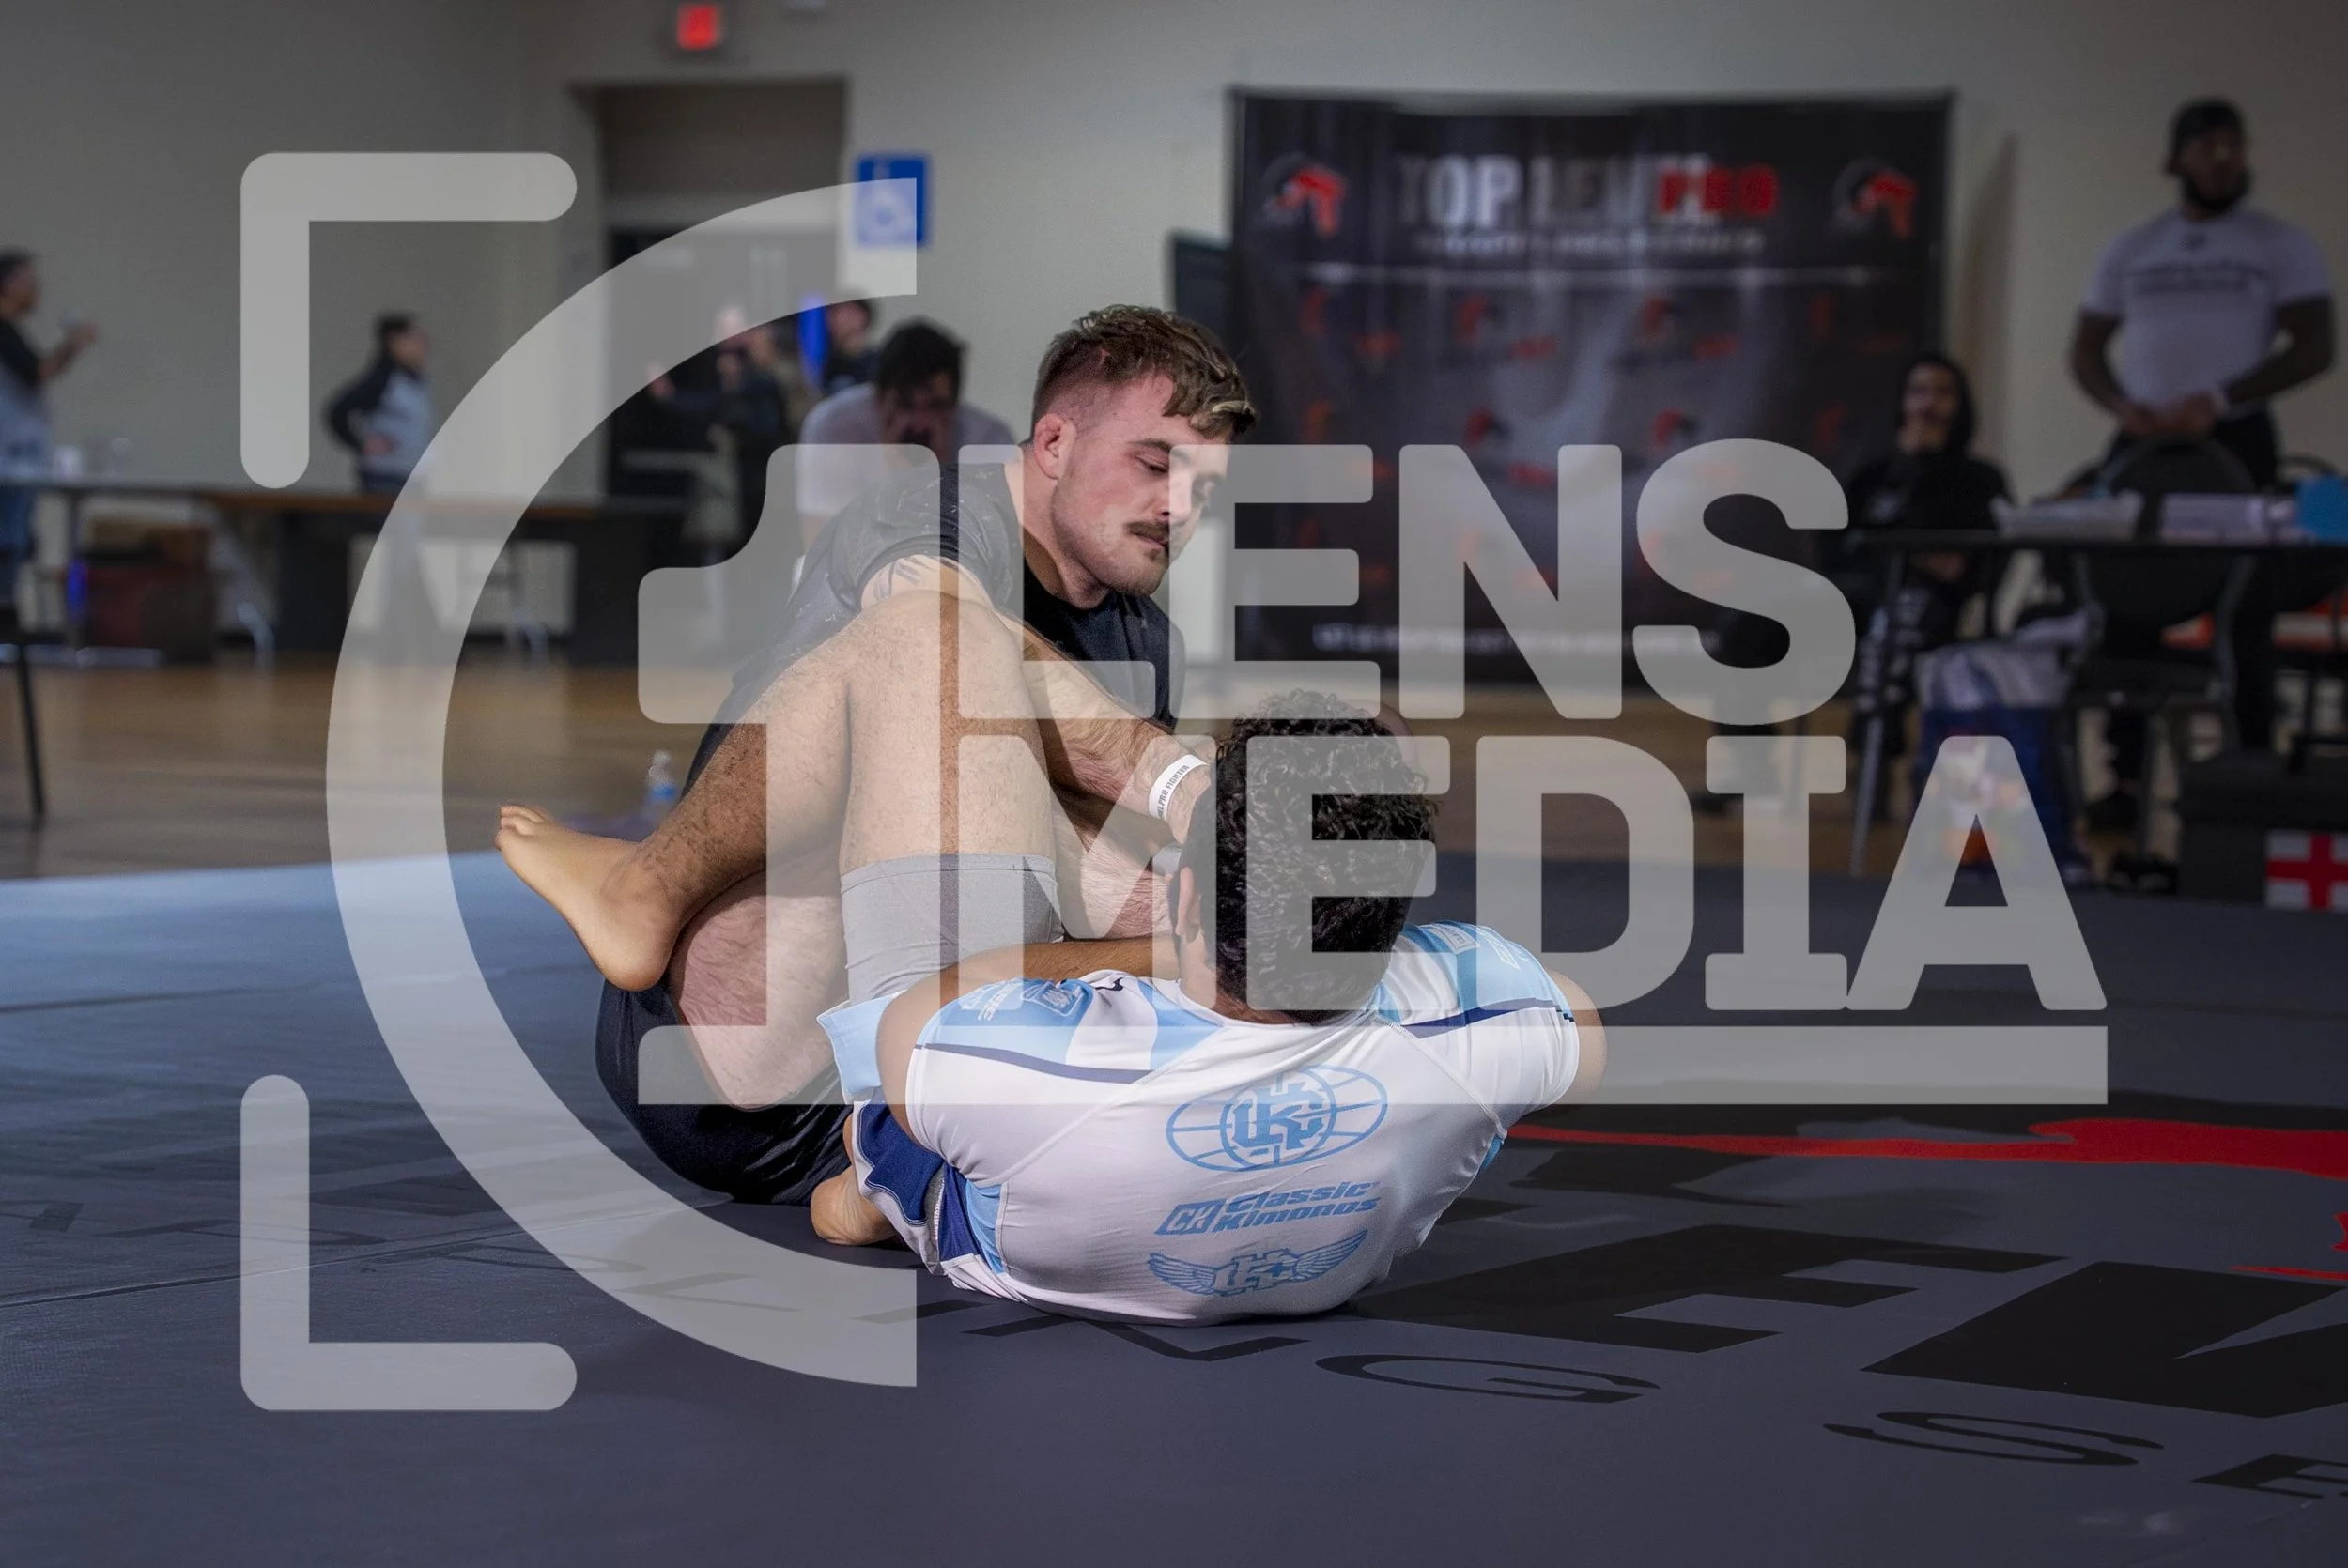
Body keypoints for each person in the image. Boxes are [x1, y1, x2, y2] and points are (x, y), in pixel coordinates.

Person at [499, 306, 1253, 1207]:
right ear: (1054, 442)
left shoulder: (1148, 640)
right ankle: (647, 891)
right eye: (1156, 465)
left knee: (1233, 881)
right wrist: (1183, 783)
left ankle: (905, 1158)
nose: (1179, 507)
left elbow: (1114, 880)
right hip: (739, 1048)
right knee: (941, 645)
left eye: (1204, 488)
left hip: (918, 1073)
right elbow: (943, 640)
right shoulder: (926, 514)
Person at [805, 704, 1604, 1323]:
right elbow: (1581, 1033)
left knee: (863, 1159)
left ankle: (866, 1195)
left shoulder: (1015, 1063)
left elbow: (918, 1012)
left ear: (1186, 898)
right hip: (1318, 1271)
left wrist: (1162, 950)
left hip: (1007, 1245)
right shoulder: (1485, 1024)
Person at [2068, 98, 2336, 764]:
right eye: (2207, 148)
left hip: (2234, 435)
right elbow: (2087, 347)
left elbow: (2315, 346)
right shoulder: (2134, 246)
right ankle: (2125, 773)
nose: (2222, 161)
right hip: (2145, 440)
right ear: (2176, 160)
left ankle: (2251, 764)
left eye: (2232, 147)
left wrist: (2221, 398)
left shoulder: (2277, 243)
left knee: (2244, 600)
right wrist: (2119, 403)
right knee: (2128, 593)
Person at [1840, 353, 2012, 773]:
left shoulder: (1980, 481)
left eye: (1942, 393)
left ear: (1960, 405)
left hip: (1935, 606)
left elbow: (1971, 568)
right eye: (1918, 392)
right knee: (1750, 625)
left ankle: (1874, 761)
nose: (1928, 404)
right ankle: (1749, 769)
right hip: (1854, 598)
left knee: (1899, 617)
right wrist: (1906, 468)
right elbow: (1838, 547)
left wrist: (1924, 469)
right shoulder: (1873, 475)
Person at [795, 318, 1020, 548]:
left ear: (955, 405)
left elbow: (993, 550)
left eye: (936, 406)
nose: (920, 424)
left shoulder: (987, 441)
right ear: (878, 399)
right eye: (905, 405)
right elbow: (820, 544)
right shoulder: (835, 429)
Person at [0, 251, 97, 609]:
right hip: (9, 457)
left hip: (18, 454)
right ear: (8, 284)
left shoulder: (11, 331)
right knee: (8, 539)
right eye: (28, 280)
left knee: (18, 539)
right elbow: (38, 371)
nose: (36, 288)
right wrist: (73, 345)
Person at [324, 313, 436, 494]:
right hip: (386, 476)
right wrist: (361, 444)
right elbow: (338, 411)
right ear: (395, 341)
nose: (422, 344)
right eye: (414, 338)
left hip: (411, 475)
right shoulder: (383, 380)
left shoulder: (415, 381)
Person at [816, 299, 878, 395]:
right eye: (833, 312)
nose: (834, 319)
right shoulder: (825, 361)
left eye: (844, 313)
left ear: (861, 317)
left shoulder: (874, 363)